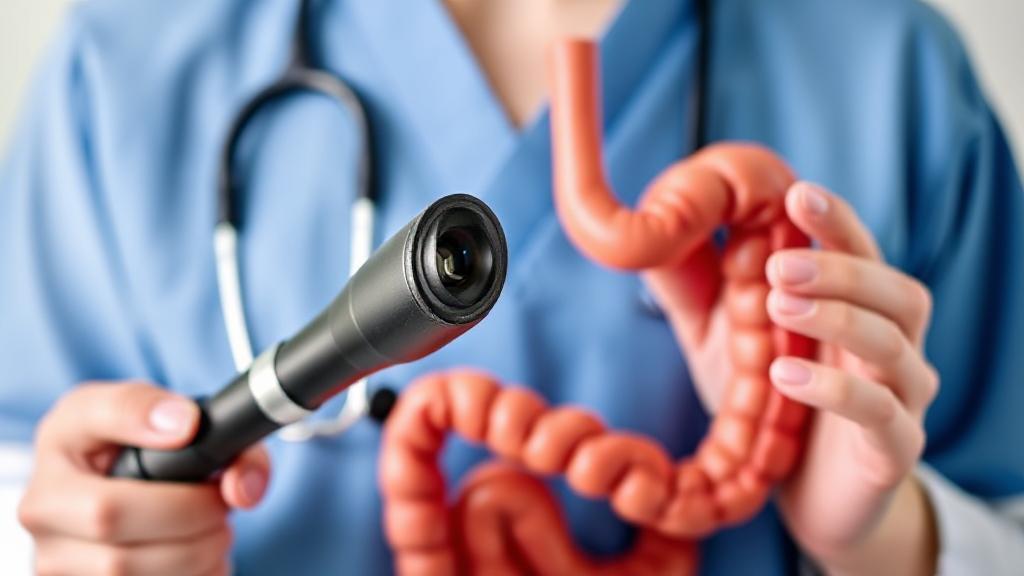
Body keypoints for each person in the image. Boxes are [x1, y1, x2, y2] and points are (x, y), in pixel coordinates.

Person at [2, 0, 1023, 574]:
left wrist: (888, 540)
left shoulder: (891, 75)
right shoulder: (128, 67)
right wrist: (71, 545)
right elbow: (25, 498)